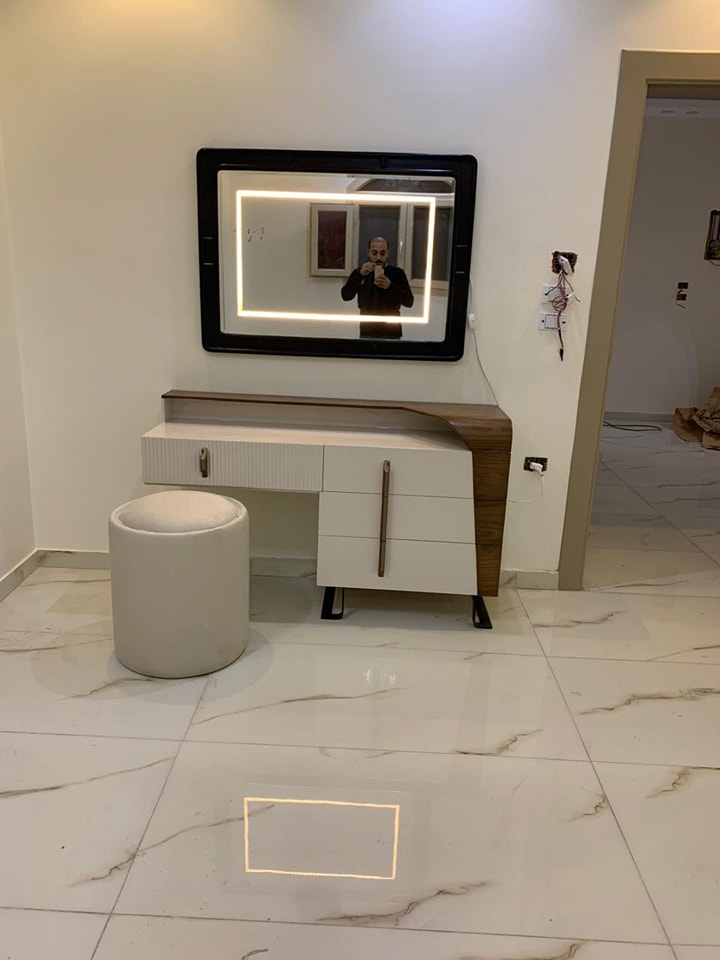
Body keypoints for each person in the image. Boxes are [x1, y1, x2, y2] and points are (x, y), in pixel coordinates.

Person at [340, 236, 414, 339]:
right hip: (367, 331)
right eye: (374, 253)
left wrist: (390, 287)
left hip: (392, 332)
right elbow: (345, 296)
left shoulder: (397, 273)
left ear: (388, 253)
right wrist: (359, 276)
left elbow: (409, 302)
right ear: (368, 253)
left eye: (382, 253)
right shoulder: (361, 272)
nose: (378, 257)